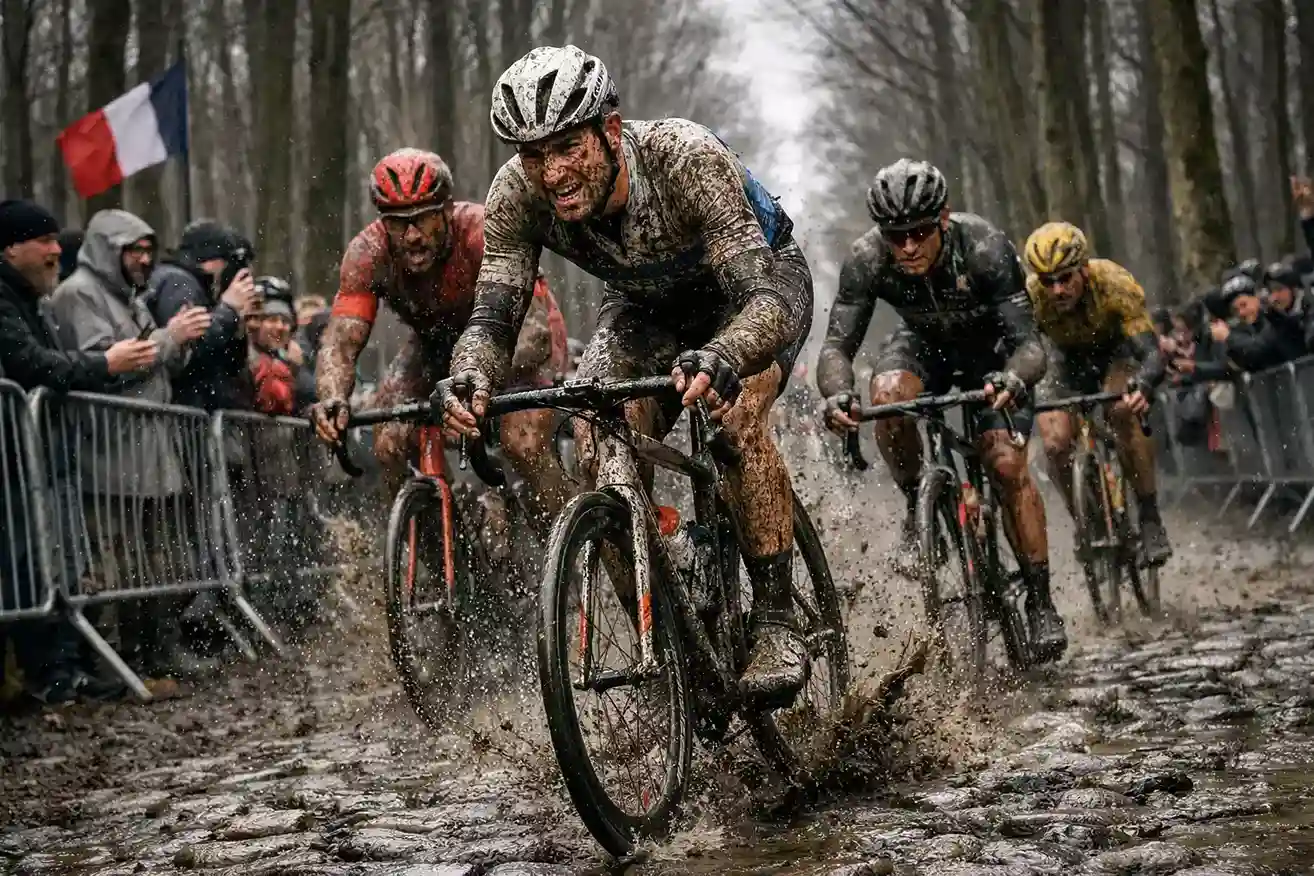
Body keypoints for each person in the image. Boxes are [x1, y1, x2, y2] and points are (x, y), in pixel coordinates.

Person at [435, 46, 815, 708]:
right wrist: (468, 377)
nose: (553, 173)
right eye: (534, 155)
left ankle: (778, 620)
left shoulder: (682, 157)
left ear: (609, 130)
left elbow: (760, 297)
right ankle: (666, 636)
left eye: (567, 147)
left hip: (754, 290)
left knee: (735, 416)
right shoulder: (515, 194)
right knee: (596, 435)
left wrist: (725, 353)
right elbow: (493, 319)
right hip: (644, 308)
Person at [816, 159, 1064, 662]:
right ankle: (917, 504)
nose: (908, 246)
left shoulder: (984, 247)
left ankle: (1040, 602)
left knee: (1005, 464)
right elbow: (836, 348)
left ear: (944, 219)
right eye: (896, 236)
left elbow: (1029, 345)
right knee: (886, 394)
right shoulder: (868, 258)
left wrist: (1014, 378)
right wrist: (839, 394)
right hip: (923, 344)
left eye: (919, 232)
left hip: (991, 351)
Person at [309, 148, 572, 529]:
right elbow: (340, 342)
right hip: (436, 346)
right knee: (388, 442)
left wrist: (475, 384)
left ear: (447, 210)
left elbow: (533, 333)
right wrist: (332, 397)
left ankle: (572, 538)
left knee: (523, 442)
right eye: (398, 223)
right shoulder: (369, 253)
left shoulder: (481, 231)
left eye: (423, 219)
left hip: (516, 340)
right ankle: (442, 543)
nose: (412, 236)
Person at [0, 200, 156, 702]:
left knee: (53, 565)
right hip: (16, 459)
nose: (55, 251)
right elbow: (32, 365)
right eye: (44, 240)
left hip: (40, 456)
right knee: (28, 567)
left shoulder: (29, 298)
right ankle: (50, 675)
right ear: (10, 248)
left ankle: (63, 669)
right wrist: (105, 363)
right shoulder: (7, 299)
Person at [48, 208, 212, 681]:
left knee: (161, 566)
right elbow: (110, 366)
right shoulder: (79, 294)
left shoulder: (132, 299)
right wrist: (169, 337)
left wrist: (180, 342)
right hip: (109, 456)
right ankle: (115, 668)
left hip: (149, 454)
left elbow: (155, 363)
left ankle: (155, 655)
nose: (143, 259)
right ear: (107, 250)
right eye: (133, 250)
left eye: (147, 250)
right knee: (113, 571)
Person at [1022, 221, 1171, 566]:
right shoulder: (1030, 297)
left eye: (1065, 279)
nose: (1057, 290)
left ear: (1084, 269)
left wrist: (1144, 384)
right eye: (1048, 281)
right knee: (1055, 444)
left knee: (1122, 411)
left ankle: (1150, 517)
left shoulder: (1114, 283)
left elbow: (1150, 352)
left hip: (1114, 354)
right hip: (1062, 359)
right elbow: (1020, 347)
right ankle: (1086, 521)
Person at [147, 221, 261, 411]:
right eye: (229, 261)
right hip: (181, 408)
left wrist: (238, 324)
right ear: (212, 258)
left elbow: (229, 363)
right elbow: (193, 348)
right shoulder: (180, 283)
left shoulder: (189, 283)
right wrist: (228, 310)